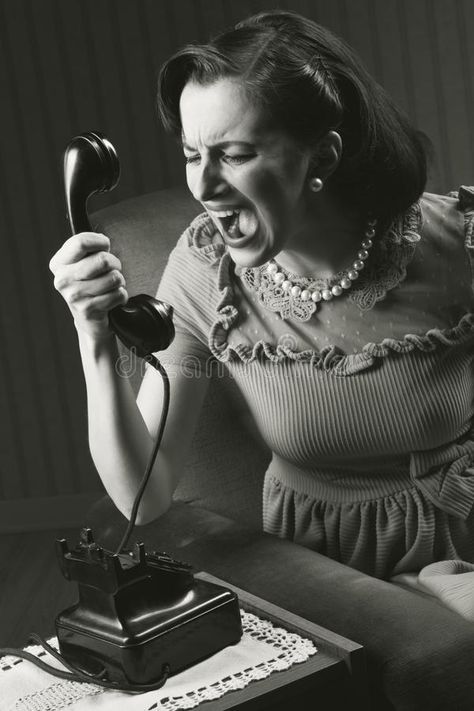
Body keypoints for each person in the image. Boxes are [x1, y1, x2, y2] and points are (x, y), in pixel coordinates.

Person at [49, 10, 474, 582]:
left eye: (235, 154)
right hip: (336, 584)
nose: (203, 185)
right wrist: (93, 333)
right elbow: (142, 498)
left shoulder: (459, 242)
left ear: (320, 157)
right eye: (193, 155)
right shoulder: (205, 275)